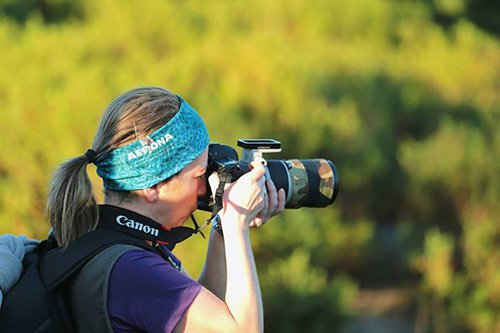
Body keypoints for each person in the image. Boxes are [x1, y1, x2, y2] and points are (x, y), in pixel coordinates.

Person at [45, 86, 286, 332]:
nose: (205, 190)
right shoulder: (134, 270)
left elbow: (200, 317)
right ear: (153, 186)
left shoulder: (98, 236)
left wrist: (223, 226)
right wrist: (237, 223)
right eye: (200, 176)